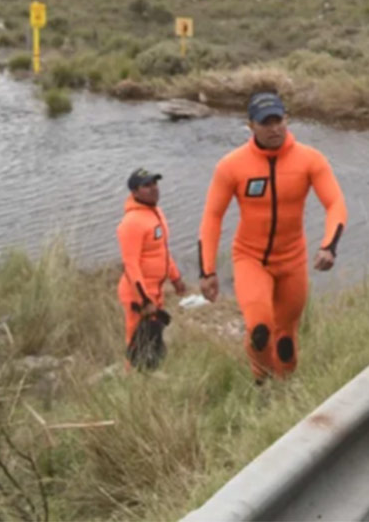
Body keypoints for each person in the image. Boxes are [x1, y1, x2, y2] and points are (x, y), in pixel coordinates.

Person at [198, 91, 347, 381]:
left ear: (287, 119)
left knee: (287, 338)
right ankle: (261, 382)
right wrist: (207, 270)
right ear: (250, 126)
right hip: (250, 259)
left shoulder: (310, 160)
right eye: (265, 123)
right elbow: (212, 217)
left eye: (278, 120)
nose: (274, 128)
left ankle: (286, 388)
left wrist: (329, 245)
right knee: (260, 329)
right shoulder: (231, 166)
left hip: (292, 260)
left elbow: (335, 204)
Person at [117, 168, 185, 370]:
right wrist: (144, 300)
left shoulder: (156, 214)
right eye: (147, 185)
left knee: (154, 335)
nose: (154, 189)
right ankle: (131, 379)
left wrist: (176, 278)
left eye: (155, 183)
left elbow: (161, 251)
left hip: (156, 289)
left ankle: (150, 373)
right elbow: (131, 266)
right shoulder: (131, 223)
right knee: (137, 339)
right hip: (138, 294)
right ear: (135, 192)